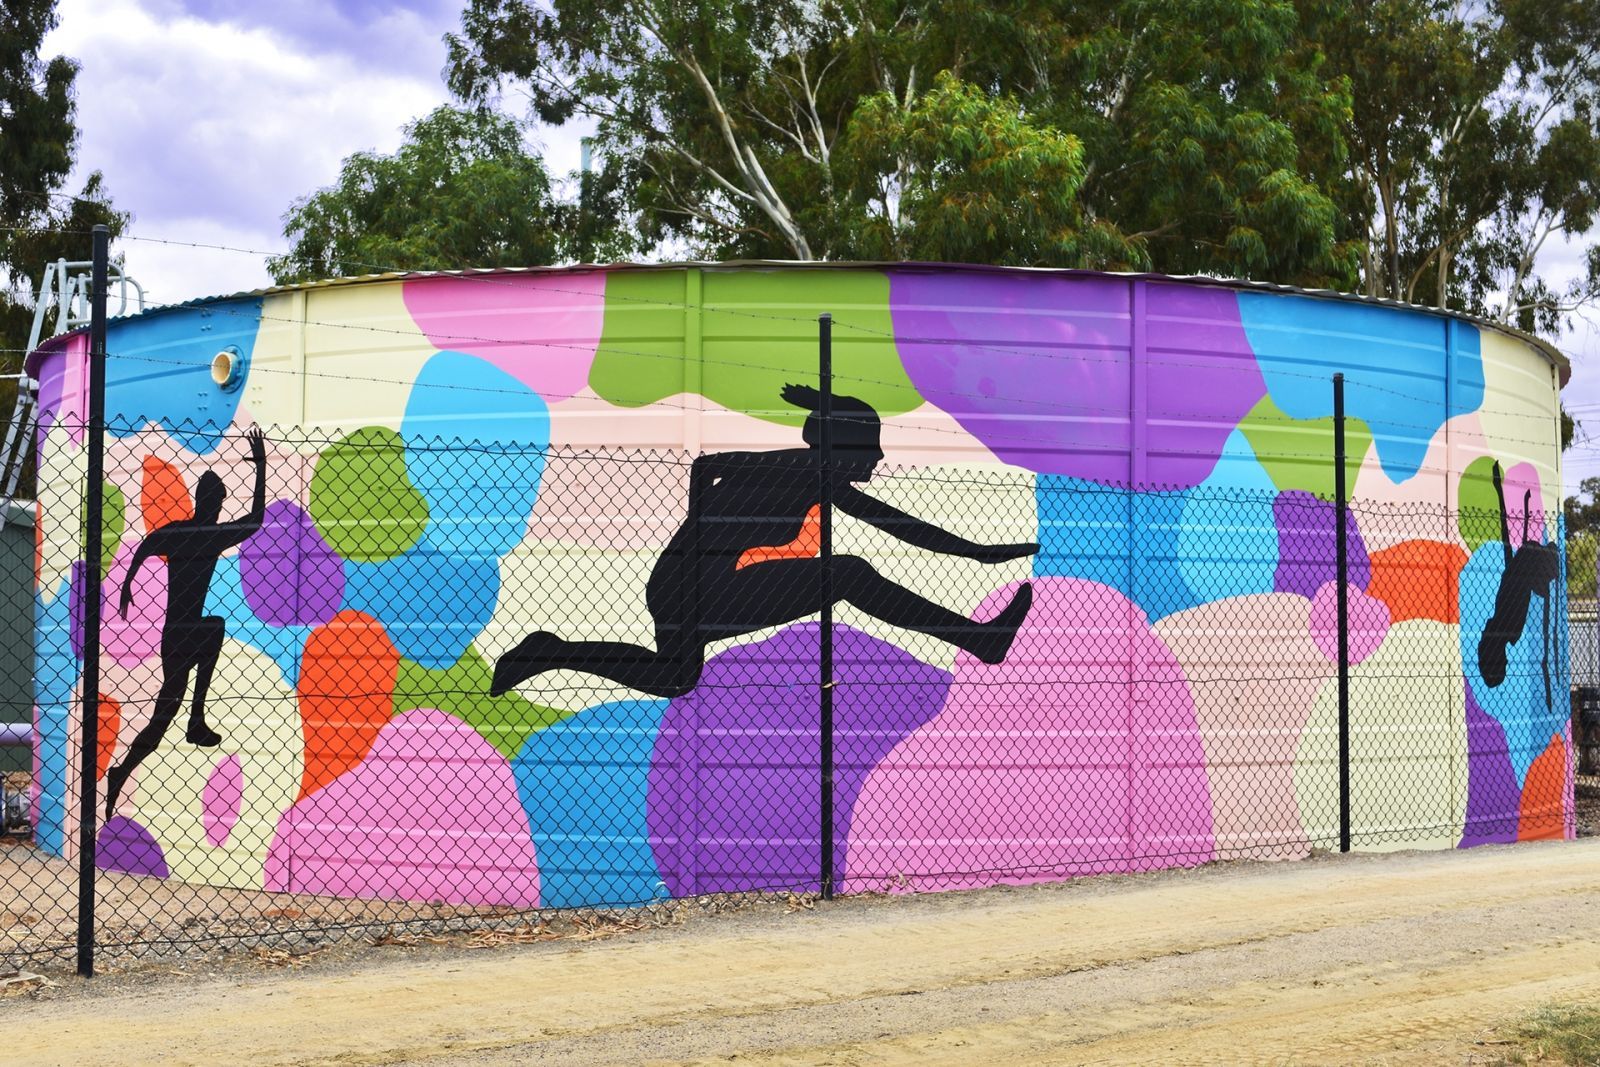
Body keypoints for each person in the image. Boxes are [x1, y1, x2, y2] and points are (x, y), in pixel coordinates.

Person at [492, 385, 1038, 700]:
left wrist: (982, 554)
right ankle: (976, 640)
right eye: (869, 446)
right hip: (701, 584)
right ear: (841, 447)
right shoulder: (809, 470)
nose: (877, 458)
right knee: (846, 573)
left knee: (678, 678)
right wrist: (704, 534)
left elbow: (709, 468)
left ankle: (551, 650)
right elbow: (708, 465)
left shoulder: (812, 473)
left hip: (684, 585)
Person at [103, 427, 268, 818]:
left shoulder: (185, 532)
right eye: (214, 498)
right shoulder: (206, 535)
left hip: (175, 635)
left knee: (161, 720)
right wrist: (261, 467)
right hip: (185, 632)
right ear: (211, 501)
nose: (214, 502)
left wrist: (128, 583)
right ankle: (196, 718)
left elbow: (146, 546)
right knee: (216, 627)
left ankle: (120, 772)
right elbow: (257, 518)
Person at [1477, 460, 1560, 711]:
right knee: (1536, 567)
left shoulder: (1506, 631)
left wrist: (1500, 493)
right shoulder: (1506, 630)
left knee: (1532, 564)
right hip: (1525, 567)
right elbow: (1512, 568)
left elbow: (1510, 563)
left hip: (1525, 567)